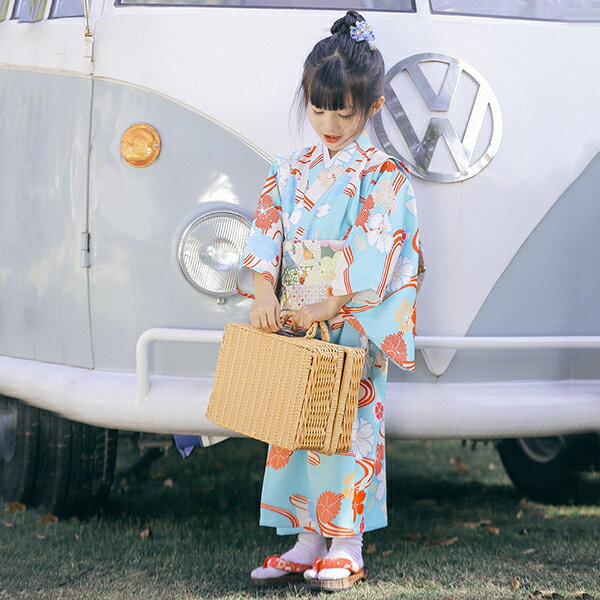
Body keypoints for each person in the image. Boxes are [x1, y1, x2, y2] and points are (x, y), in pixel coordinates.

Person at [239, 10, 424, 592]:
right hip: (296, 322)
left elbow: (381, 252)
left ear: (372, 106)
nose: (329, 123)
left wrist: (328, 305)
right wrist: (265, 293)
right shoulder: (289, 170)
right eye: (318, 108)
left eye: (344, 111)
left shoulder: (384, 176)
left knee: (348, 430)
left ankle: (346, 543)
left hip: (348, 324)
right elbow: (266, 234)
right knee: (293, 429)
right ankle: (304, 541)